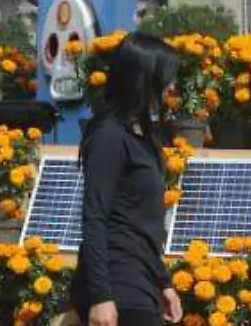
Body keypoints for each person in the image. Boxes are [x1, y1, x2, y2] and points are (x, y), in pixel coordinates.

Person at [72, 33, 184, 326]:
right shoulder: (109, 136)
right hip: (118, 286)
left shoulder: (142, 137)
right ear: (145, 80)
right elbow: (95, 215)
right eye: (167, 78)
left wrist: (164, 282)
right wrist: (101, 297)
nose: (172, 87)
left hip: (142, 281)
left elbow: (140, 222)